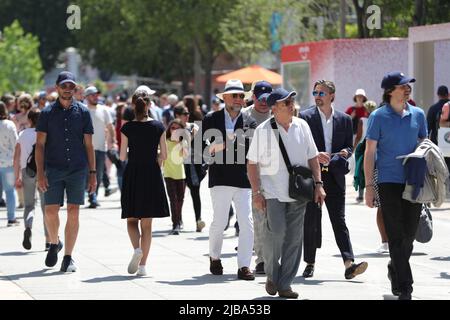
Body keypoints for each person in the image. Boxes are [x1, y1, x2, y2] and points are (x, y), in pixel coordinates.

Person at [247, 88, 325, 298]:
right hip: (272, 192)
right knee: (276, 234)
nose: (292, 105)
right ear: (274, 108)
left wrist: (319, 184)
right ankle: (272, 275)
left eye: (292, 101)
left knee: (294, 238)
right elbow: (252, 164)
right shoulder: (263, 130)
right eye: (286, 103)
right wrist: (256, 193)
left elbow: (313, 157)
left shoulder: (302, 126)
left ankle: (285, 284)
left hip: (299, 192)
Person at [364, 71, 427, 300]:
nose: (407, 88)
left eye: (408, 85)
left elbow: (424, 145)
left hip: (413, 180)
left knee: (409, 234)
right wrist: (369, 187)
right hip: (388, 181)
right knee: (396, 233)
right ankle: (406, 286)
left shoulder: (418, 114)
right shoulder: (378, 117)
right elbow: (370, 153)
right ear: (390, 90)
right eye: (402, 86)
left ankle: (395, 267)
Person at [300, 80, 368, 280]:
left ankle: (349, 263)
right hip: (313, 176)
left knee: (339, 220)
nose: (317, 95)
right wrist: (315, 154)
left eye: (322, 92)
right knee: (311, 220)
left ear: (332, 96)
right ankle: (310, 263)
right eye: (315, 92)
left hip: (336, 175)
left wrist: (346, 151)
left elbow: (349, 145)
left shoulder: (345, 119)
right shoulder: (305, 117)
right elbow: (301, 145)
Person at [36, 71, 96, 272]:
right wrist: (40, 173)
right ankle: (54, 243)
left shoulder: (83, 112)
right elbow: (40, 145)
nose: (68, 89)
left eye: (71, 86)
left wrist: (93, 173)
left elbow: (89, 145)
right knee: (50, 211)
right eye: (64, 86)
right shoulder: (46, 113)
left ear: (75, 88)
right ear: (57, 87)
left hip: (77, 169)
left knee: (73, 211)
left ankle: (68, 256)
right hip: (52, 169)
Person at [202, 79, 257, 280]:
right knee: (220, 221)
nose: (239, 99)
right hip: (220, 178)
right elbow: (201, 150)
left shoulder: (250, 122)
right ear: (224, 98)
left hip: (243, 180)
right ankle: (215, 257)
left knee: (247, 222)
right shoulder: (211, 119)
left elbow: (251, 151)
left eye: (241, 95)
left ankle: (244, 266)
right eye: (234, 95)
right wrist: (220, 146)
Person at [120, 88, 169, 277]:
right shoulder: (158, 127)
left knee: (132, 219)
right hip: (151, 174)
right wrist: (153, 155)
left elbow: (123, 155)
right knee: (147, 225)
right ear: (149, 106)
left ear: (133, 106)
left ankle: (136, 249)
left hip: (133, 172)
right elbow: (164, 155)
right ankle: (143, 266)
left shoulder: (127, 128)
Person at [242, 80, 272, 275]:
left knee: (275, 218)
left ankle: (273, 256)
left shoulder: (278, 113)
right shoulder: (244, 117)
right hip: (253, 173)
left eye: (266, 98)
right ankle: (261, 259)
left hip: (276, 173)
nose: (263, 102)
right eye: (259, 98)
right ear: (253, 97)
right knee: (259, 217)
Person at [14, 108, 48, 250]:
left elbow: (16, 157)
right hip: (44, 172)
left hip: (27, 171)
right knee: (46, 207)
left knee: (29, 205)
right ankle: (49, 240)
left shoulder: (22, 134)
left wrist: (17, 177)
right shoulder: (46, 134)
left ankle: (28, 227)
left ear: (29, 120)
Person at [174, 105, 206, 232]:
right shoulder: (174, 127)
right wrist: (191, 137)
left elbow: (201, 144)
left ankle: (198, 220)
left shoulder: (193, 126)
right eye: (184, 113)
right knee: (178, 195)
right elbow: (178, 146)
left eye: (188, 113)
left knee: (195, 193)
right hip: (178, 165)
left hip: (192, 165)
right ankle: (178, 221)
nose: (187, 115)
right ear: (177, 115)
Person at [84, 86, 117, 209]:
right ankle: (91, 195)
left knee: (98, 174)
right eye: (92, 95)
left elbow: (110, 127)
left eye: (96, 94)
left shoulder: (104, 110)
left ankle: (94, 196)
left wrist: (113, 141)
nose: (95, 97)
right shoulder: (83, 110)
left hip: (100, 148)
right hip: (85, 149)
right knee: (87, 173)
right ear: (86, 97)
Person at [164, 119, 189, 235]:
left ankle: (179, 218)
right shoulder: (165, 141)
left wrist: (181, 143)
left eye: (177, 128)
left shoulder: (182, 142)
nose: (174, 130)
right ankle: (176, 224)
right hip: (169, 174)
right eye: (172, 128)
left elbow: (186, 155)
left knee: (180, 199)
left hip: (180, 174)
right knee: (173, 199)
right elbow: (161, 156)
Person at [0, 101, 19, 227]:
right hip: (7, 163)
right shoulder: (9, 125)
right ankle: (11, 218)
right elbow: (16, 144)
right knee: (9, 191)